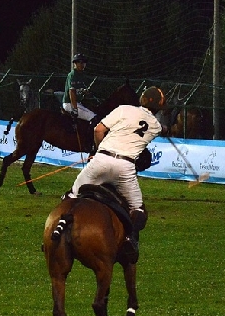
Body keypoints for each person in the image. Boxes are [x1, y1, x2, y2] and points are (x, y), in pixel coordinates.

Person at [66, 86, 167, 256]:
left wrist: (98, 151)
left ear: (142, 99)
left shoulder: (123, 109)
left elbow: (98, 130)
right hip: (125, 168)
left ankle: (57, 233)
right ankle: (130, 240)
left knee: (71, 196)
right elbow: (158, 128)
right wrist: (166, 129)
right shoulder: (155, 127)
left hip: (101, 160)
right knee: (138, 210)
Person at [62, 53, 97, 123]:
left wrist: (84, 91)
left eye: (83, 62)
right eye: (79, 62)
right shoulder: (73, 75)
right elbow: (72, 92)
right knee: (94, 117)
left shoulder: (82, 74)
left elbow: (80, 89)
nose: (82, 64)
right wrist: (74, 109)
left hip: (78, 103)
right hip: (70, 104)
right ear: (75, 63)